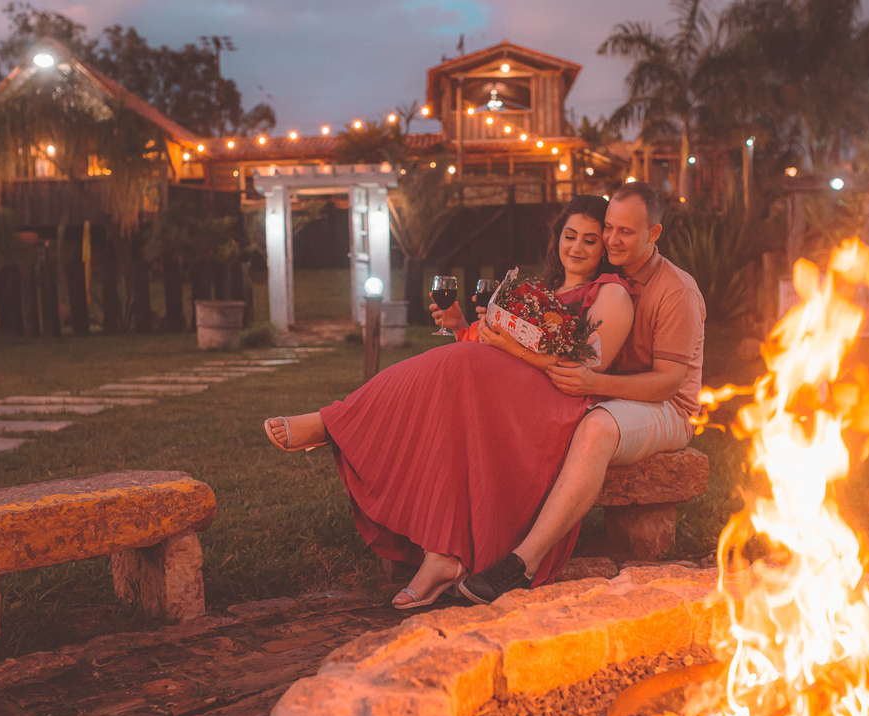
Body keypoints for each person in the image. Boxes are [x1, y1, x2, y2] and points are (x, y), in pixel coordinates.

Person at [264, 195, 635, 610]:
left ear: (604, 247)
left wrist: (507, 346)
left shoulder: (610, 293)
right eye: (570, 236)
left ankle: (332, 424)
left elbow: (589, 362)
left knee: (456, 364)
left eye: (589, 240)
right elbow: (503, 351)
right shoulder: (543, 291)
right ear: (557, 238)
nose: (577, 247)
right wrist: (464, 327)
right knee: (451, 393)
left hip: (556, 402)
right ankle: (443, 554)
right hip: (512, 390)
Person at [457, 181, 706, 604]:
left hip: (666, 408)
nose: (612, 239)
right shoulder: (607, 282)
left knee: (596, 428)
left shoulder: (675, 290)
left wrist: (595, 385)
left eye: (626, 231)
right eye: (609, 228)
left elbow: (667, 382)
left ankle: (522, 564)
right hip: (610, 395)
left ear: (654, 233)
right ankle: (470, 543)